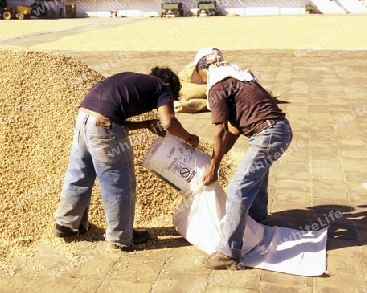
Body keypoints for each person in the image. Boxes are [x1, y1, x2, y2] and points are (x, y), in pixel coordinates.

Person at [53, 67, 200, 252]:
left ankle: (65, 224)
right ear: (169, 85)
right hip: (103, 123)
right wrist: (188, 137)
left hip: (83, 117)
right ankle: (120, 237)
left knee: (80, 173)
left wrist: (145, 124)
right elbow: (168, 122)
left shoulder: (132, 81)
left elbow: (113, 121)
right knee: (118, 182)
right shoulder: (162, 87)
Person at [193, 48, 293, 269]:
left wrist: (214, 166)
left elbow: (220, 132)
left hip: (266, 135)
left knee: (238, 189)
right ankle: (258, 219)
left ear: (203, 70)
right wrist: (219, 156)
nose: (200, 80)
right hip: (280, 130)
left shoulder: (217, 86)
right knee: (258, 171)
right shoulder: (240, 78)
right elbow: (235, 132)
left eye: (198, 75)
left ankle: (228, 253)